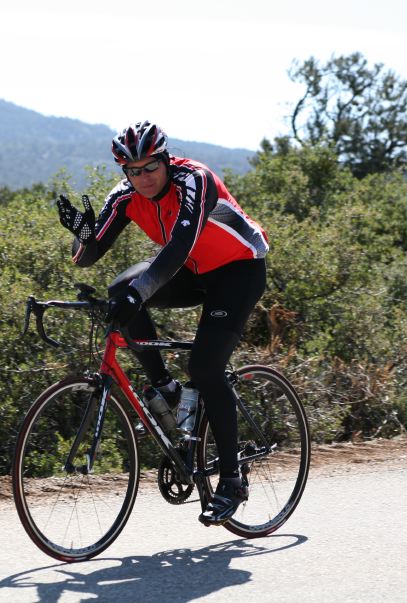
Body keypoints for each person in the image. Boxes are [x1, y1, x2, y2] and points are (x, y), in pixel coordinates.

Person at [55, 120, 269, 525]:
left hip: (238, 270)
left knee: (206, 369)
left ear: (166, 159)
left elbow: (177, 246)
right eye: (132, 171)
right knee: (121, 290)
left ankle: (232, 478)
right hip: (192, 270)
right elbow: (88, 255)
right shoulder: (124, 196)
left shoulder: (195, 180)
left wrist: (141, 294)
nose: (143, 178)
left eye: (150, 167)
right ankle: (167, 390)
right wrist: (82, 236)